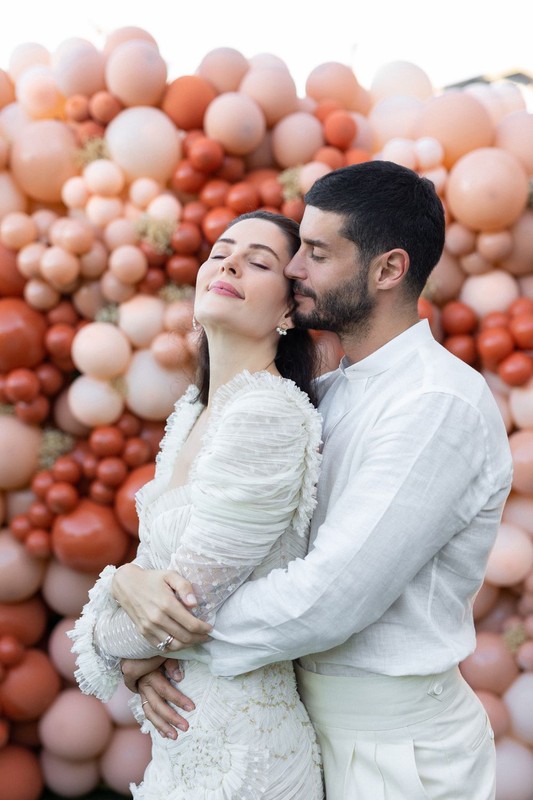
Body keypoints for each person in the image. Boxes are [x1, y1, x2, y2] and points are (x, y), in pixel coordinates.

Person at [113, 160, 514, 800]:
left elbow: (329, 598)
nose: (295, 268)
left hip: (393, 750)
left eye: (317, 253)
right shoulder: (322, 395)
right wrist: (135, 588)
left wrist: (162, 638)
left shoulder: (437, 404)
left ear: (387, 270)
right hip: (297, 720)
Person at [68, 210, 325, 799]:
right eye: (220, 252)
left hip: (244, 754)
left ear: (289, 310)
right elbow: (158, 593)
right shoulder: (192, 411)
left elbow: (186, 604)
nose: (229, 263)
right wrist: (131, 580)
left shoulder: (267, 413)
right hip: (184, 740)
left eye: (259, 262)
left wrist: (125, 644)